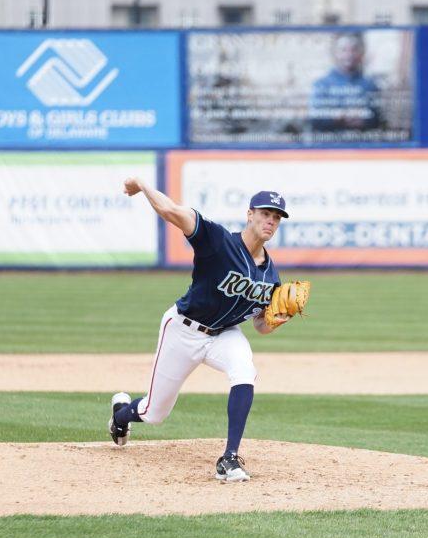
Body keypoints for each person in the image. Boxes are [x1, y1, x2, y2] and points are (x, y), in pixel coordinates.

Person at [108, 179, 294, 483]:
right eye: (265, 213)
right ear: (250, 214)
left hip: (225, 333)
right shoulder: (217, 240)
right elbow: (170, 211)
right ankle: (121, 414)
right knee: (155, 414)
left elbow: (260, 325)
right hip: (183, 330)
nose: (270, 221)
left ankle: (229, 459)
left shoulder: (271, 275)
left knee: (244, 370)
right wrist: (142, 185)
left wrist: (276, 319)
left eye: (276, 217)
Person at [308, 32, 383, 134]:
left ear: (361, 54)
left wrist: (361, 121)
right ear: (335, 54)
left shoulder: (371, 85)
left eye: (354, 50)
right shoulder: (321, 85)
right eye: (343, 50)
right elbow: (315, 120)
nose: (349, 55)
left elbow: (376, 120)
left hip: (362, 145)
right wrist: (339, 118)